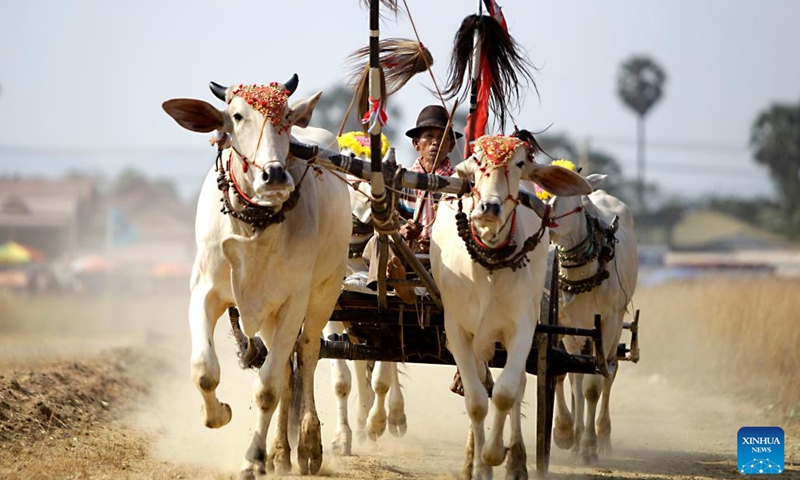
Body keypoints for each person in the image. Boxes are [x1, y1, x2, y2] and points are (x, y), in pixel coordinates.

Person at [362, 104, 462, 303]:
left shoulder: (458, 185)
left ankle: (402, 288)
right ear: (416, 144)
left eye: (442, 138)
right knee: (379, 241)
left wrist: (433, 240)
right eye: (429, 137)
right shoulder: (400, 181)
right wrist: (403, 233)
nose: (435, 143)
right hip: (407, 254)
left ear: (450, 146)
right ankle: (397, 283)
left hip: (444, 257)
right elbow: (387, 222)